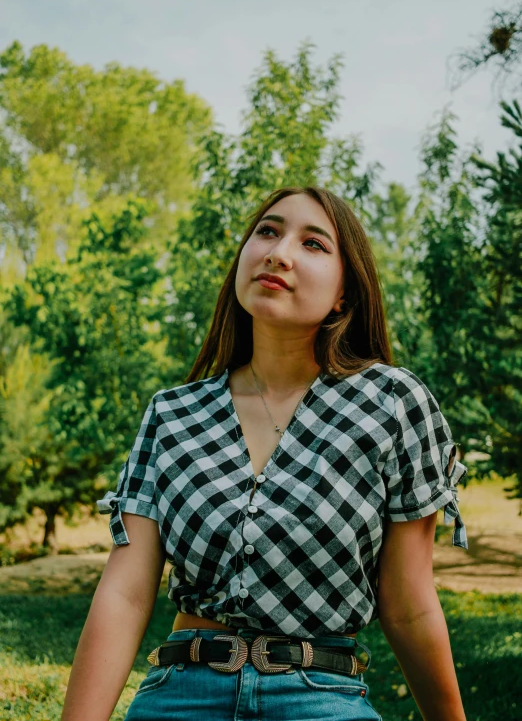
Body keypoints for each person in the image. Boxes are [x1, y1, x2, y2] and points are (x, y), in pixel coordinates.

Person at [61, 185, 468, 721]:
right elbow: (126, 596)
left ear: (345, 293)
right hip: (181, 694)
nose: (279, 252)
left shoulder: (391, 405)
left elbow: (410, 605)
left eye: (314, 244)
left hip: (322, 698)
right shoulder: (173, 416)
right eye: (268, 232)